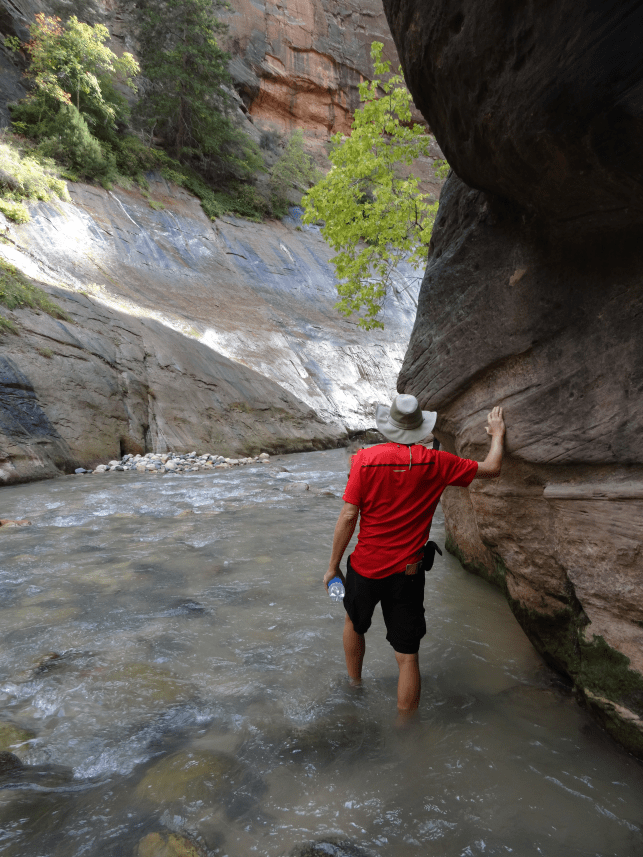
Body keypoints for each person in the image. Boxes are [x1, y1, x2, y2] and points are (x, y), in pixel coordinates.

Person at [323, 394, 505, 712]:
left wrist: (332, 566)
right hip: (408, 572)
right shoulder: (439, 463)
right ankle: (407, 734)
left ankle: (354, 685)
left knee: (354, 622)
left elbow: (349, 516)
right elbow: (491, 469)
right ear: (421, 428)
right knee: (407, 657)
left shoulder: (365, 460)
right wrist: (498, 434)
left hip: (365, 567)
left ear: (388, 426)